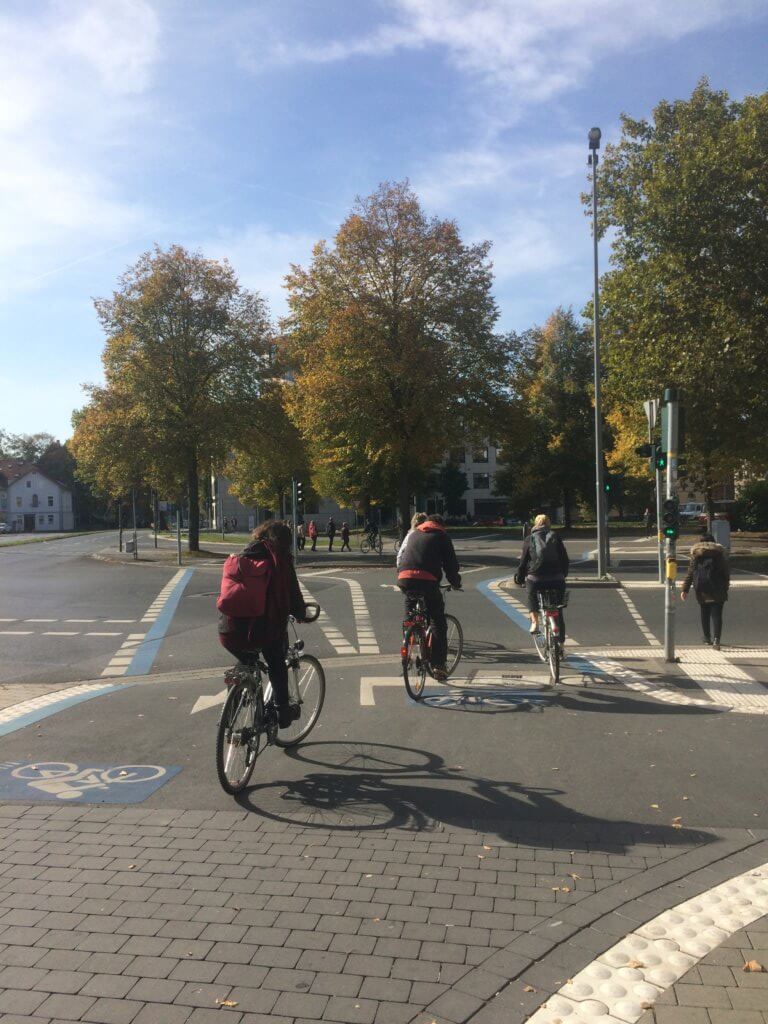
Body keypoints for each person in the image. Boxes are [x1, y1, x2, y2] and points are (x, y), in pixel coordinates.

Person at [218, 520, 309, 728]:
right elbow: (293, 594)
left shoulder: (241, 556)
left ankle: (232, 711)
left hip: (228, 630)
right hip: (262, 630)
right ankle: (282, 712)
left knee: (246, 661)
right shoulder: (280, 559)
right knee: (276, 662)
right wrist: (301, 612)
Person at [397, 513, 461, 682]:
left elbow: (403, 556)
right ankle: (438, 666)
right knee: (437, 621)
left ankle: (409, 639)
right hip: (427, 580)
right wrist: (456, 582)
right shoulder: (442, 535)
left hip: (404, 577)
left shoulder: (414, 533)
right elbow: (451, 565)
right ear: (441, 524)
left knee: (410, 612)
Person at [514, 513, 569, 639]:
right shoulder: (555, 536)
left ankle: (535, 623)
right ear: (549, 524)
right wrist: (563, 575)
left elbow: (523, 562)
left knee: (531, 595)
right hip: (557, 579)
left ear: (535, 524)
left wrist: (520, 578)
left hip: (536, 579)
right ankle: (560, 644)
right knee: (558, 610)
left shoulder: (530, 538)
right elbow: (565, 559)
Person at [681, 531, 730, 649]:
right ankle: (717, 640)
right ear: (713, 541)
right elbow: (725, 573)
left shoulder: (696, 554)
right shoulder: (720, 554)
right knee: (717, 615)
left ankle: (707, 638)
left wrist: (685, 589)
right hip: (718, 588)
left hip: (702, 588)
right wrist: (725, 587)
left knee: (705, 613)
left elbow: (691, 573)